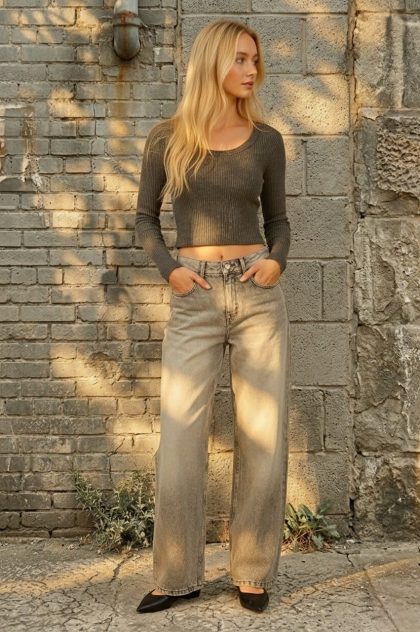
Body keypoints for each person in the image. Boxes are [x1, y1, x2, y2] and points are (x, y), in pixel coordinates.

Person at [135, 19, 291, 614]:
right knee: (180, 439)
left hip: (256, 294)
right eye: (241, 59)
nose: (252, 70)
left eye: (255, 60)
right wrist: (169, 270)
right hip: (193, 294)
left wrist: (276, 261)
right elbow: (145, 219)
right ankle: (176, 576)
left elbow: (278, 221)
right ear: (213, 63)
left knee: (262, 435)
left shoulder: (266, 141)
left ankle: (252, 571)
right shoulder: (167, 139)